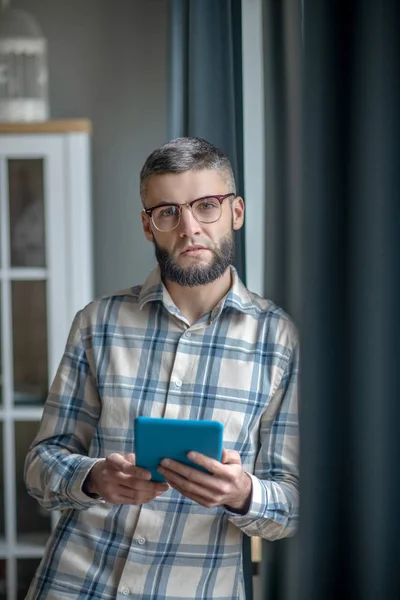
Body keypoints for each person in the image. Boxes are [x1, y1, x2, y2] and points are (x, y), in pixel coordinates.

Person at [24, 137, 299, 600]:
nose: (189, 227)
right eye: (168, 212)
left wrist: (242, 493)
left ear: (236, 212)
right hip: (73, 585)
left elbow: (294, 506)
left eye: (206, 206)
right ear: (149, 226)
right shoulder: (98, 322)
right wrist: (93, 478)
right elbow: (40, 465)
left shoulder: (283, 340)